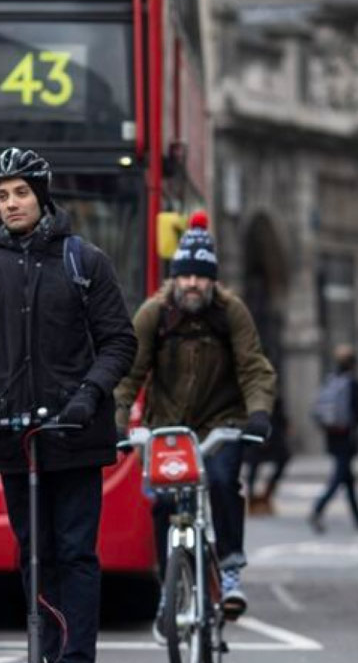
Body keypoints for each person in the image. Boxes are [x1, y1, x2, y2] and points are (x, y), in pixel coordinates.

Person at [0, 147, 136, 663]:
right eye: (2, 196)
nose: (11, 204)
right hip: (12, 438)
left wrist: (88, 397)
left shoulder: (84, 261)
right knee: (35, 555)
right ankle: (44, 661)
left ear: (41, 195)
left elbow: (119, 342)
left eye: (21, 192)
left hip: (76, 435)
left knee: (75, 554)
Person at [113, 211, 276, 629]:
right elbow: (128, 374)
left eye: (201, 277)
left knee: (222, 482)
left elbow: (254, 368)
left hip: (220, 425)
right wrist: (117, 421)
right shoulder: (155, 313)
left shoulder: (230, 312)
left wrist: (257, 414)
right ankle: (168, 586)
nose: (191, 284)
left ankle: (231, 570)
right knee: (163, 502)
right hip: (167, 427)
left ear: (212, 280)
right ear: (175, 277)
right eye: (185, 276)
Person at [308, 344, 358, 533]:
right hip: (347, 436)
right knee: (338, 478)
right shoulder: (353, 383)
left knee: (348, 478)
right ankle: (317, 510)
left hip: (332, 436)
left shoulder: (330, 380)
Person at [246, 397, 292, 516]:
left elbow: (279, 412)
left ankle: (266, 495)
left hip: (274, 433)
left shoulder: (274, 390)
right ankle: (252, 498)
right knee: (253, 466)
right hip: (256, 428)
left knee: (283, 459)